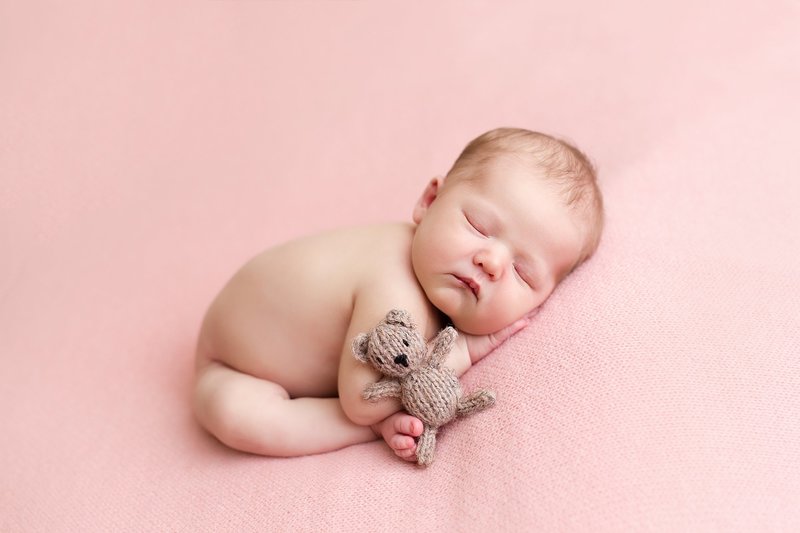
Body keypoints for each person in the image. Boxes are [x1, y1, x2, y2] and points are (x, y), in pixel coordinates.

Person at [193, 128, 604, 462]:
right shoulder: (396, 287)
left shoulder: (432, 282)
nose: (491, 261)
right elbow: (363, 400)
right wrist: (463, 351)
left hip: (283, 353)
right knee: (237, 416)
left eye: (522, 272)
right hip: (233, 364)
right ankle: (366, 433)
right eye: (478, 226)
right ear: (429, 201)